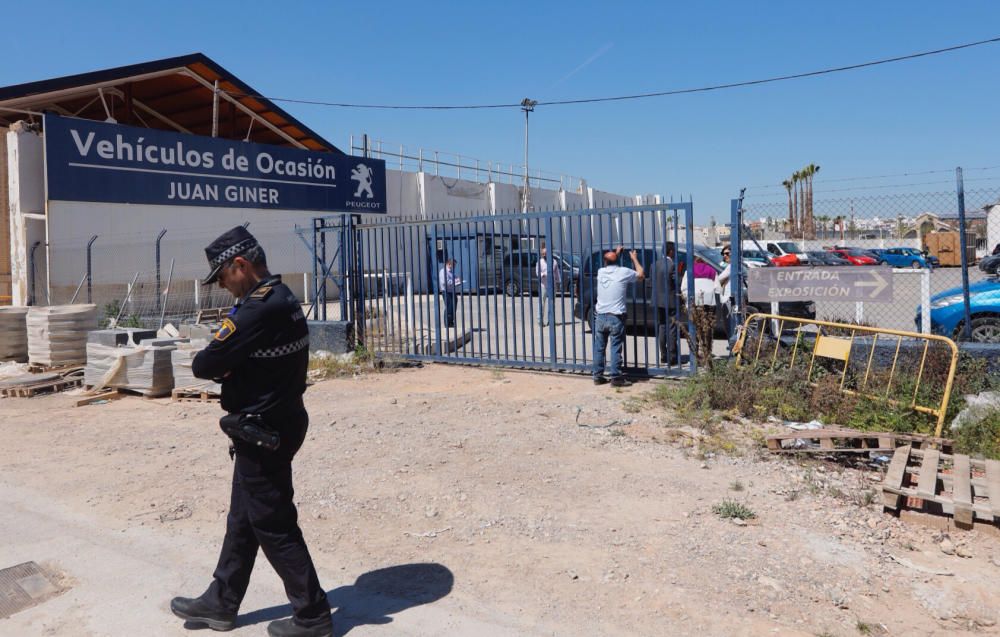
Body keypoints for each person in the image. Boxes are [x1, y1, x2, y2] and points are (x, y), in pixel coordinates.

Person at [170, 227, 333, 637]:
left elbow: (204, 365)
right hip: (275, 423)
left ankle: (313, 615)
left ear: (240, 265)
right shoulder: (283, 297)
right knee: (243, 518)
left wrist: (229, 363)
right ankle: (222, 601)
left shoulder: (257, 309)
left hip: (264, 431)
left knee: (273, 522)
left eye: (223, 277)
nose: (223, 287)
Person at [592, 246, 645, 387]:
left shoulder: (601, 272)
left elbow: (609, 262)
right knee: (615, 347)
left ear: (604, 262)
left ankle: (597, 376)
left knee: (599, 347)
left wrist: (616, 253)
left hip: (600, 316)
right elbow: (641, 274)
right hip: (616, 316)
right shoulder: (623, 272)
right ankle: (615, 378)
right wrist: (634, 258)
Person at [652, 241, 678, 366]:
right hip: (670, 300)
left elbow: (651, 282)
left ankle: (663, 355)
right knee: (672, 328)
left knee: (662, 327)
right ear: (671, 251)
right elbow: (676, 283)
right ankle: (672, 356)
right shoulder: (672, 265)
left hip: (658, 301)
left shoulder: (654, 264)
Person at [535, 243, 561, 327]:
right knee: (541, 303)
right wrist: (543, 274)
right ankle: (540, 321)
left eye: (545, 253)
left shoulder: (554, 262)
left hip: (552, 286)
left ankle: (551, 321)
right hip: (543, 285)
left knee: (552, 303)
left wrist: (558, 282)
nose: (544, 255)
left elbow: (557, 273)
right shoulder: (539, 262)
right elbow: (537, 272)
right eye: (543, 254)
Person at [438, 258, 462, 328]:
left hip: (452, 292)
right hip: (446, 292)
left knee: (453, 307)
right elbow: (444, 282)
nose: (454, 266)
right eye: (453, 265)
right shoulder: (443, 271)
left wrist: (458, 281)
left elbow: (455, 279)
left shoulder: (451, 272)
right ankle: (447, 324)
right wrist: (455, 281)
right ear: (449, 264)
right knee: (449, 308)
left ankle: (451, 322)